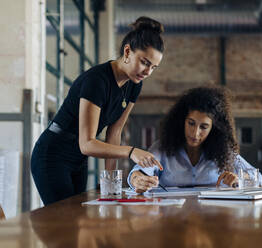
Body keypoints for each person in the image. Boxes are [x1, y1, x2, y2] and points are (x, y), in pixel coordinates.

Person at [31, 16, 165, 205]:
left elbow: (114, 132)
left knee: (76, 220)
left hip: (79, 158)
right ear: (127, 51)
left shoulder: (134, 85)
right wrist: (131, 151)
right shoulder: (97, 81)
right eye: (144, 62)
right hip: (52, 153)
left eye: (153, 67)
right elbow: (87, 143)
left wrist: (111, 185)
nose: (147, 72)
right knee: (62, 222)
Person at [128, 87, 262, 193]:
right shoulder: (162, 148)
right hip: (172, 220)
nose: (195, 132)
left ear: (214, 129)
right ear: (182, 121)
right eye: (191, 123)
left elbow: (259, 178)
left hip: (211, 219)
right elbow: (139, 171)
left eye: (204, 127)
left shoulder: (224, 152)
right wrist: (137, 180)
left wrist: (239, 179)